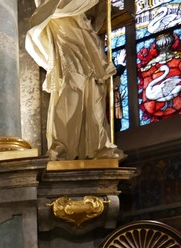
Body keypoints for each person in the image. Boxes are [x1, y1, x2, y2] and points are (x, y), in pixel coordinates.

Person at [25, 0, 124, 161]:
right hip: (63, 27)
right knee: (72, 82)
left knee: (95, 86)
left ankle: (97, 146)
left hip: (83, 29)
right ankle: (62, 146)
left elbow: (93, 12)